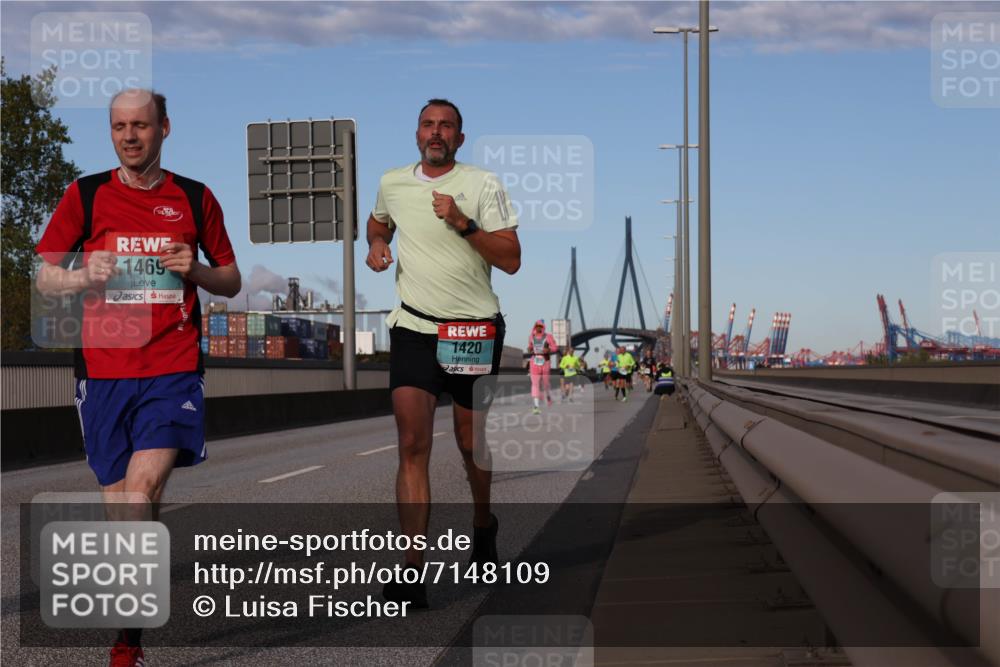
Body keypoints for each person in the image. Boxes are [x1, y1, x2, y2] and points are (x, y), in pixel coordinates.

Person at [34, 89, 240, 667]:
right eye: (120, 126)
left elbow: (229, 279)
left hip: (172, 365)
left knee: (142, 491)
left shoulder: (195, 198)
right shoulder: (86, 194)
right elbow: (46, 275)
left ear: (164, 129)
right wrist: (80, 276)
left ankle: (128, 641)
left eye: (141, 126)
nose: (130, 136)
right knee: (121, 502)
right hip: (103, 370)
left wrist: (193, 267)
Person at [366, 98, 520, 608]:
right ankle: (412, 572)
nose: (436, 133)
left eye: (446, 126)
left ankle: (483, 524)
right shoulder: (393, 181)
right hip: (413, 325)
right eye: (428, 125)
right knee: (412, 443)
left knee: (469, 438)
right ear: (416, 134)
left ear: (459, 137)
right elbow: (379, 221)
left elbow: (512, 259)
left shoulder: (482, 184)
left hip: (472, 329)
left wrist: (463, 224)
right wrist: (376, 244)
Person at [527, 320, 558, 414]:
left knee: (545, 383)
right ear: (535, 327)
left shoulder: (548, 337)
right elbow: (530, 347)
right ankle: (536, 406)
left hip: (545, 362)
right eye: (537, 326)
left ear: (543, 327)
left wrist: (548, 349)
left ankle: (548, 396)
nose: (539, 328)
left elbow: (555, 347)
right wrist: (530, 349)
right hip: (534, 362)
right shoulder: (531, 337)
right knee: (535, 384)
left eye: (540, 326)